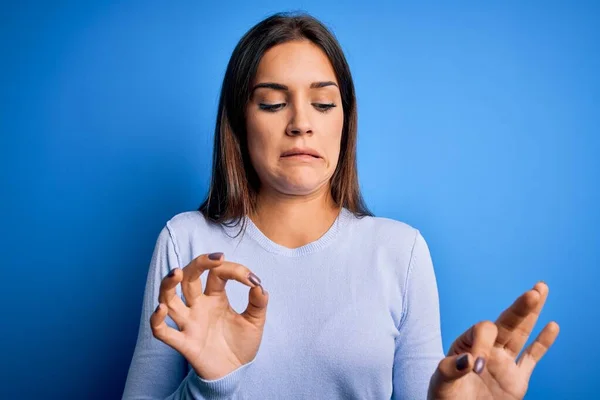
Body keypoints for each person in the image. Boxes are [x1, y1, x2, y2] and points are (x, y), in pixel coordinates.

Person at [122, 11, 559, 400]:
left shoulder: (400, 251)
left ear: (344, 119)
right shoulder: (185, 242)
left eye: (323, 103)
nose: (301, 124)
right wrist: (211, 384)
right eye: (273, 103)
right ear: (239, 121)